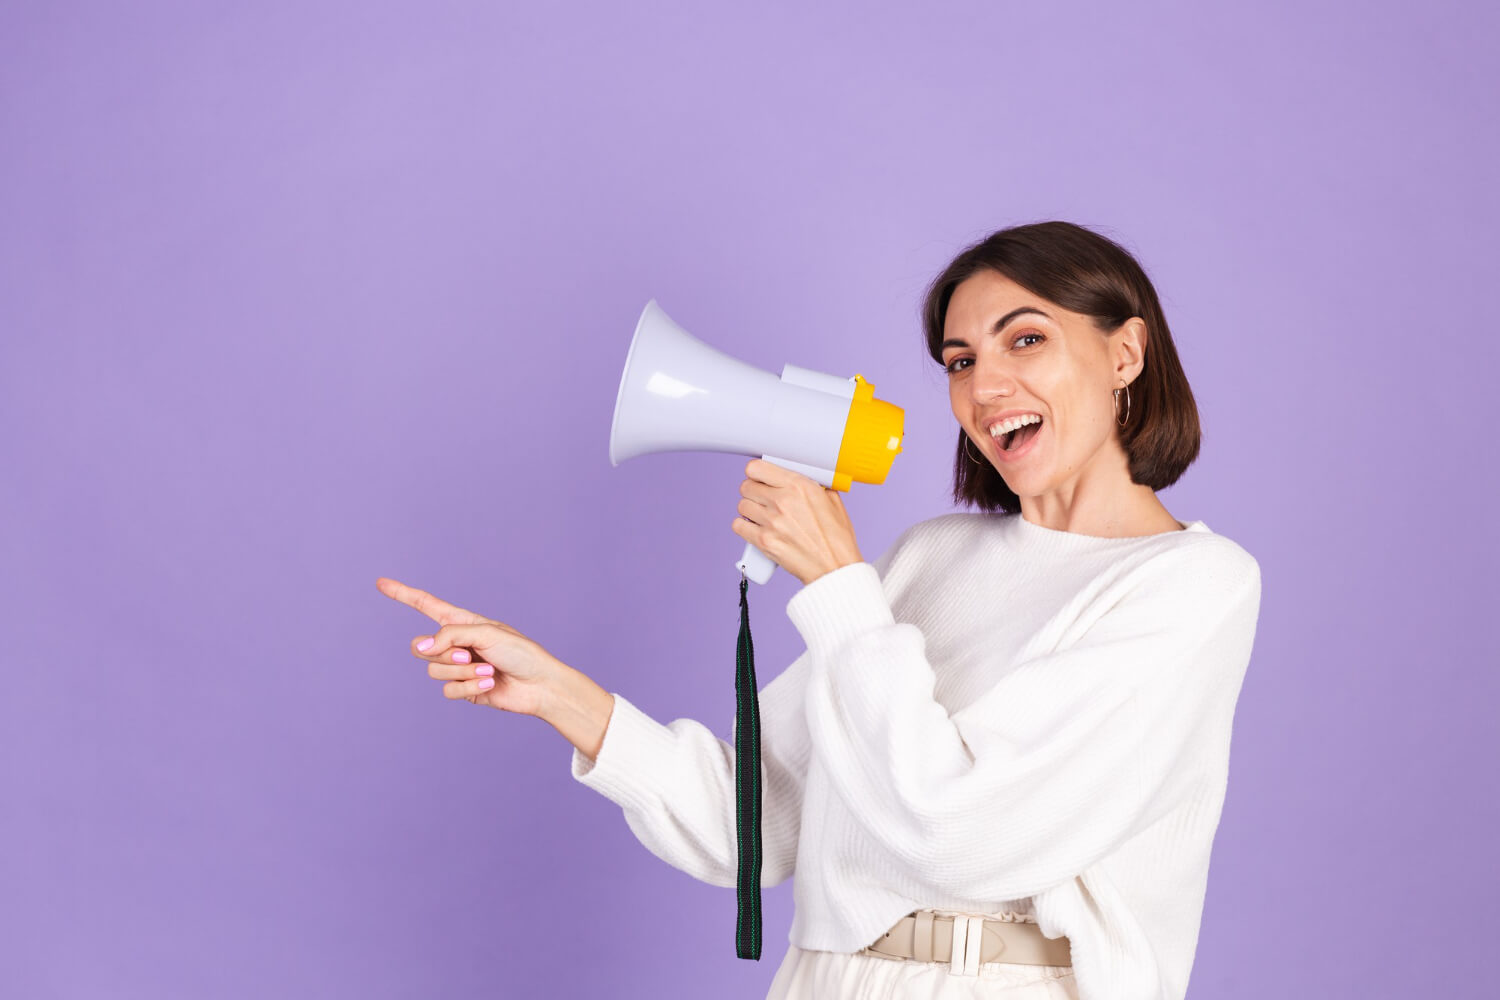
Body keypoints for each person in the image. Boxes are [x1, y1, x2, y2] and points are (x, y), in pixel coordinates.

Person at [376, 221, 1262, 1000]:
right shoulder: (929, 558)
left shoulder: (1193, 585)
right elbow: (747, 829)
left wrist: (840, 587)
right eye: (960, 362)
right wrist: (562, 696)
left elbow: (962, 832)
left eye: (1023, 340)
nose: (983, 388)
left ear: (1125, 354)